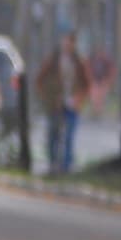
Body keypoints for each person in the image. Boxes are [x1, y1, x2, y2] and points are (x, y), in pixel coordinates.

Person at [33, 34, 85, 173]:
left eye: (71, 42)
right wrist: (48, 98)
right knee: (53, 134)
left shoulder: (79, 62)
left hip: (72, 104)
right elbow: (40, 81)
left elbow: (86, 84)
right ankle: (53, 163)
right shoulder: (53, 61)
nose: (68, 45)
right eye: (66, 41)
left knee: (69, 136)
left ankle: (66, 167)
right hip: (55, 105)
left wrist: (78, 99)